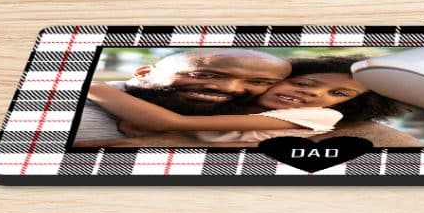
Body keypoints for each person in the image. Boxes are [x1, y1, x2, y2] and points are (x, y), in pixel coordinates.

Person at [72, 49, 292, 147]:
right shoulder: (72, 109)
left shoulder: (261, 119)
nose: (229, 88)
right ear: (144, 73)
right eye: (204, 75)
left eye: (259, 82)